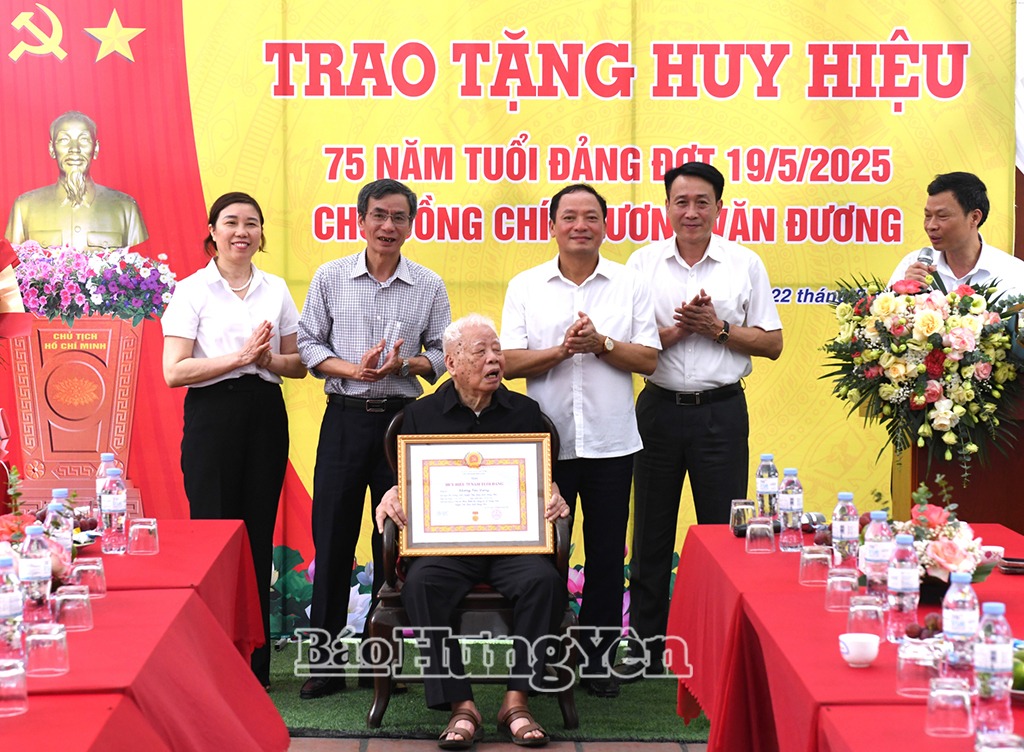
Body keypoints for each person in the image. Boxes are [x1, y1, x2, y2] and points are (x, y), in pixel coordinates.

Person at [375, 314, 569, 749]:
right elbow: (407, 483)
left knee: (543, 582)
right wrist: (391, 494)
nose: (494, 359)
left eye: (496, 350)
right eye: (480, 352)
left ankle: (516, 702)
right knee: (422, 584)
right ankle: (462, 706)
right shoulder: (421, 415)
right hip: (447, 549)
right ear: (451, 363)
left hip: (513, 547)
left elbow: (541, 481)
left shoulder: (525, 412)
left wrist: (553, 491)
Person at [500, 183, 660, 697]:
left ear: (605, 226)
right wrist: (563, 351)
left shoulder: (629, 283)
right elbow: (508, 362)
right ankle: (545, 656)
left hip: (613, 441)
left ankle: (596, 661)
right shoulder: (526, 285)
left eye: (591, 216)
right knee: (543, 556)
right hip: (545, 445)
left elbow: (649, 359)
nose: (580, 225)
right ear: (552, 226)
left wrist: (602, 344)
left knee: (608, 555)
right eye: (569, 216)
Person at [625, 161, 783, 674]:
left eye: (701, 202)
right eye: (681, 202)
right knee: (650, 534)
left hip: (721, 413)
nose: (691, 212)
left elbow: (772, 343)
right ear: (666, 207)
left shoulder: (744, 263)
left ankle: (719, 649)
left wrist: (718, 329)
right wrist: (679, 329)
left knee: (722, 533)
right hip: (657, 410)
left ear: (719, 207)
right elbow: (626, 342)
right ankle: (645, 650)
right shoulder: (642, 263)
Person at [297, 178, 451, 700]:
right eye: (379, 215)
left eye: (399, 217)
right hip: (344, 419)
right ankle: (325, 662)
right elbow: (308, 343)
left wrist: (407, 365)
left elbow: (444, 353)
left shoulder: (428, 284)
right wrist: (352, 370)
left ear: (411, 224)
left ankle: (377, 661)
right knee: (333, 538)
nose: (388, 226)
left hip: (403, 425)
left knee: (397, 543)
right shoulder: (330, 276)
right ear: (361, 220)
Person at [160, 191, 306, 688]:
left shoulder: (275, 289)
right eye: (231, 222)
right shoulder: (191, 290)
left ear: (261, 234)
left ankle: (255, 665)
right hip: (212, 416)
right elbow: (174, 371)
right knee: (214, 535)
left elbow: (297, 364)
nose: (242, 232)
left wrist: (266, 361)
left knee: (257, 536)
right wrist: (239, 359)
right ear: (213, 231)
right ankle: (214, 658)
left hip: (264, 414)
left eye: (251, 224)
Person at [6, 111, 148, 251]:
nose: (74, 149)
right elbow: (11, 264)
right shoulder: (24, 207)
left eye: (84, 139)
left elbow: (139, 261)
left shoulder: (126, 208)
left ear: (96, 148)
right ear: (52, 149)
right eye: (64, 140)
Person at [889, 171, 1024, 295]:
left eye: (942, 216)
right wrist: (902, 293)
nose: (931, 226)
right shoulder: (912, 265)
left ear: (974, 217)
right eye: (928, 216)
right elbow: (882, 311)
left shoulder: (1014, 274)